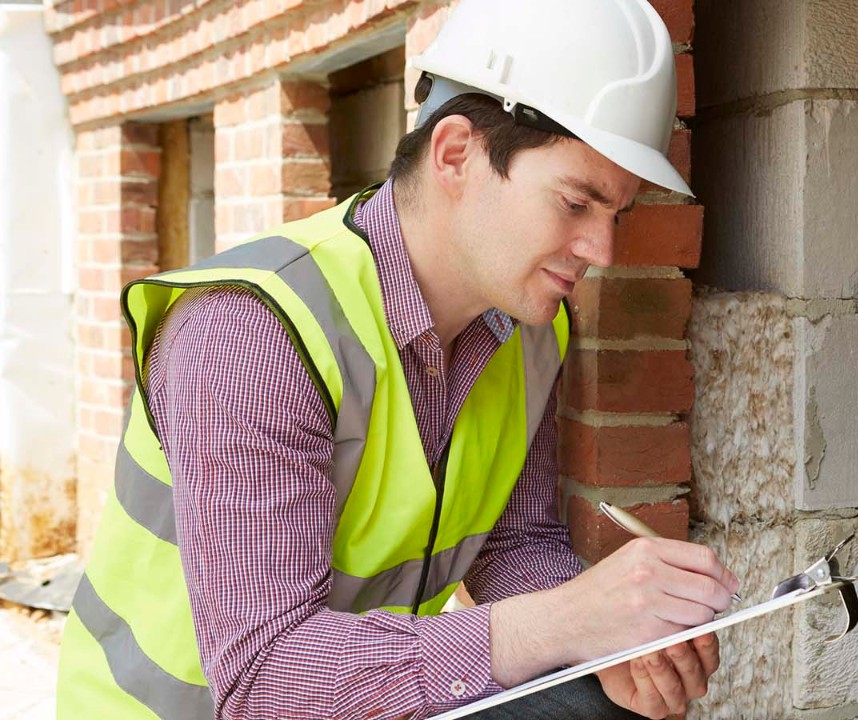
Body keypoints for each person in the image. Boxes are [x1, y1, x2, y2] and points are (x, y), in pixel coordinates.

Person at [55, 0, 741, 718]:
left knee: (590, 700)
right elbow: (264, 681)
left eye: (616, 214)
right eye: (575, 203)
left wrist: (606, 643)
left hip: (365, 699)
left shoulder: (530, 333)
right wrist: (563, 622)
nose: (603, 250)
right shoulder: (250, 335)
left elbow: (512, 545)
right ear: (455, 154)